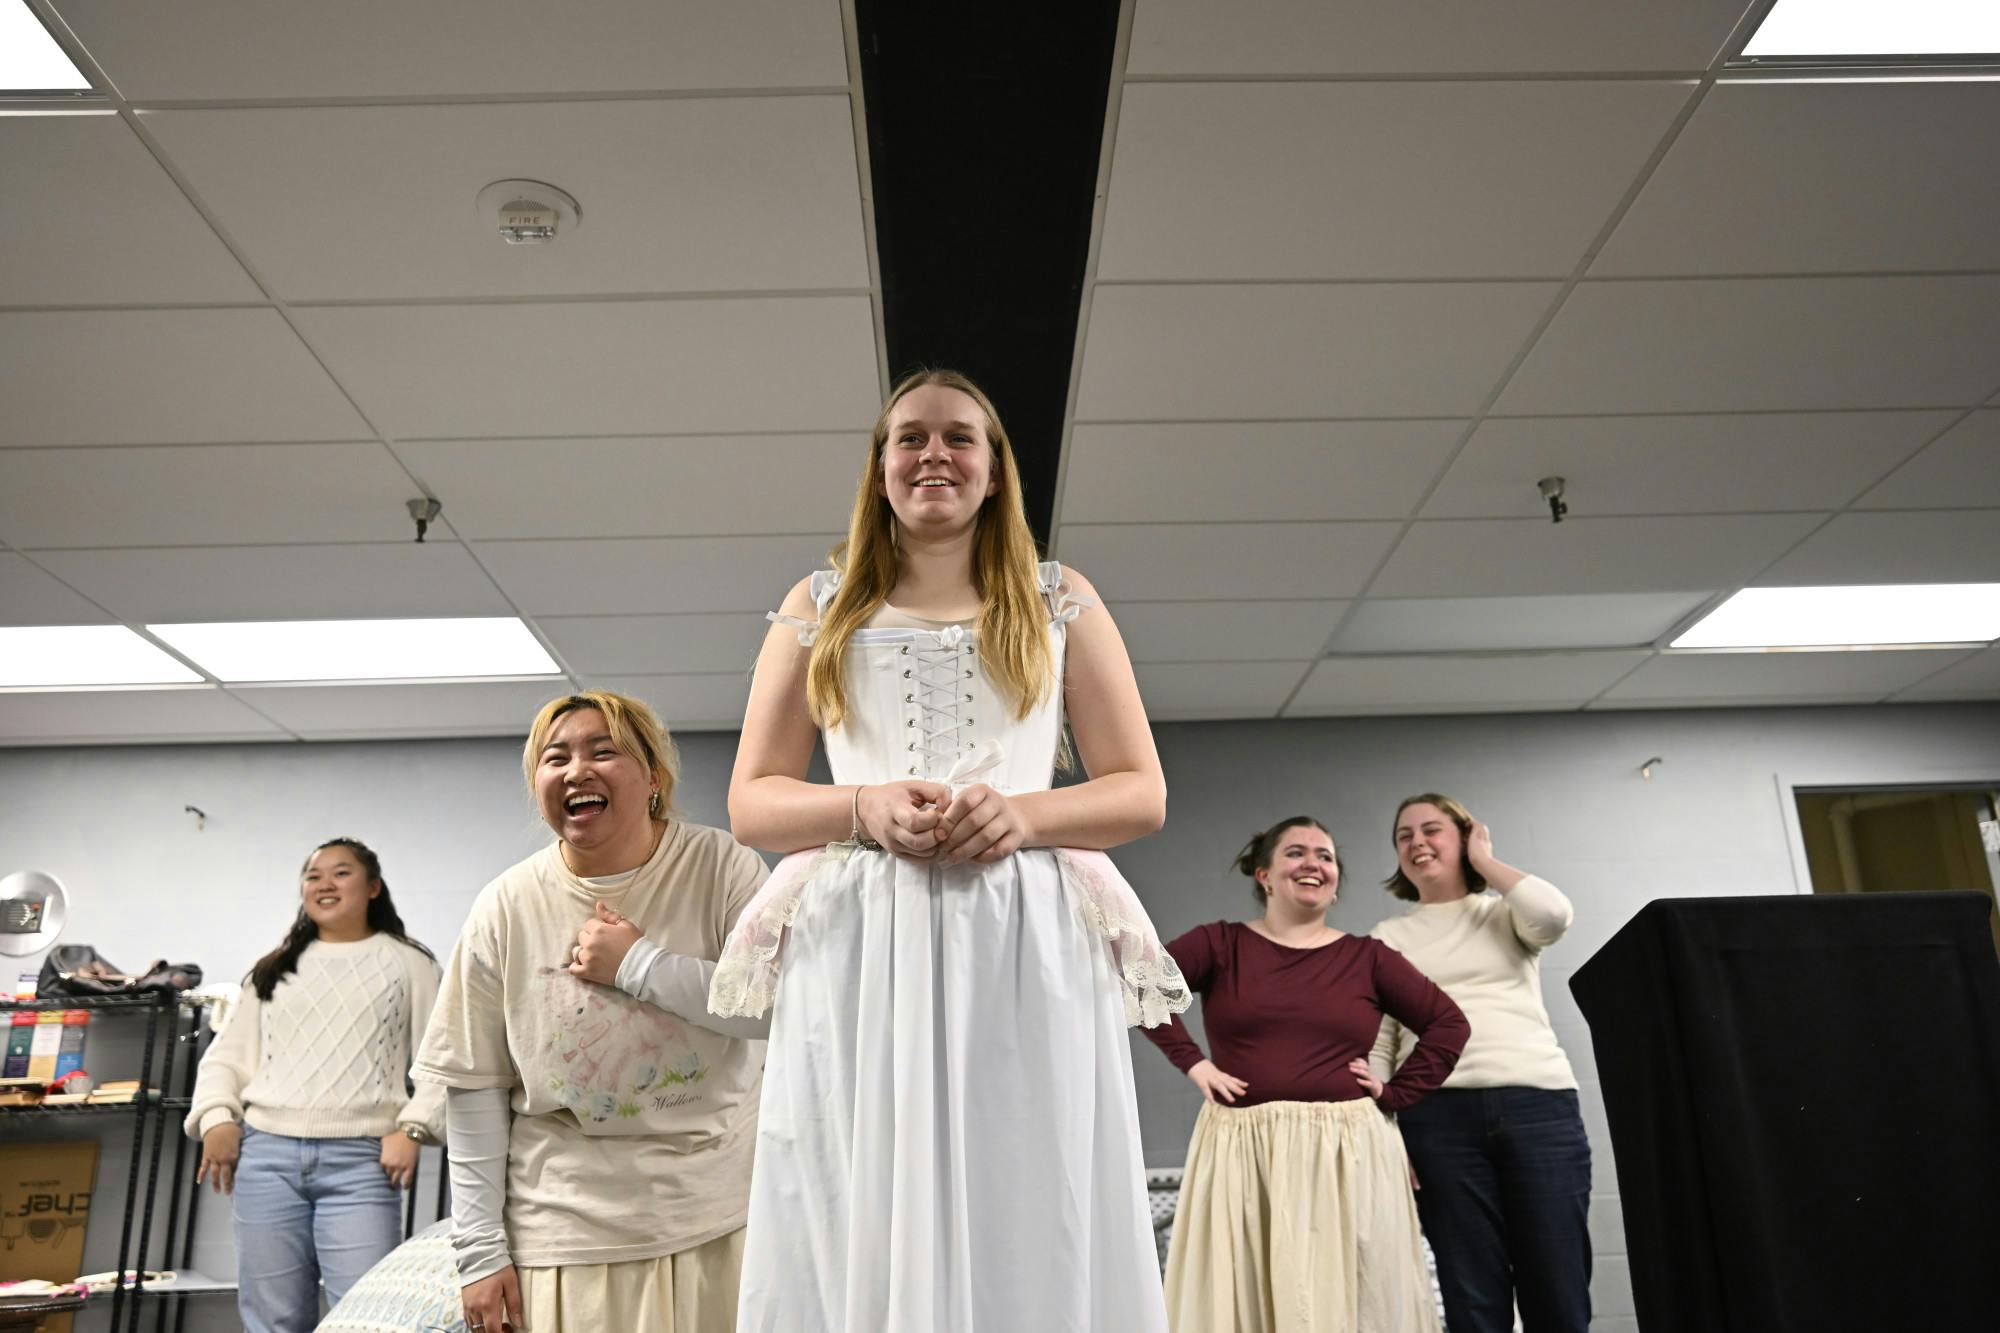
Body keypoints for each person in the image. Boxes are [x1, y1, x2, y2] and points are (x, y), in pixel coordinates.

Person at [712, 368, 1190, 1332]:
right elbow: (753, 800)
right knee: (854, 1169)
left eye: (960, 436)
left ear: (996, 468)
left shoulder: (1059, 599)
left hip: (1022, 933)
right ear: (880, 467)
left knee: (1026, 1169)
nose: (934, 453)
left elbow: (1142, 790)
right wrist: (863, 803)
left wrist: (1025, 816)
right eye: (911, 437)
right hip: (859, 938)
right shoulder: (819, 602)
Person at [413, 691, 768, 1333]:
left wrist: (640, 964)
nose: (577, 770)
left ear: (654, 777)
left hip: (719, 1218)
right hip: (566, 1235)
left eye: (604, 752)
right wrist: (479, 1253)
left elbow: (772, 1008)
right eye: (555, 759)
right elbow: (473, 1088)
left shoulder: (721, 866)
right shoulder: (505, 905)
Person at [1142, 816, 1469, 1333]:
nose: (1313, 863)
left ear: (1335, 882)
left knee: (1350, 1296)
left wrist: (1396, 1092)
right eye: (1296, 852)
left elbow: (1449, 1024)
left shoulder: (1368, 958)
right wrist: (1192, 1061)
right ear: (1264, 875)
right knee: (1248, 1294)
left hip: (1347, 1151)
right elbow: (1141, 982)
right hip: (1245, 1147)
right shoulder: (1220, 944)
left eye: (1325, 856)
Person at [186, 837, 444, 1333]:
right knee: (273, 1320)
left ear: (373, 887)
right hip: (266, 1159)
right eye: (313, 875)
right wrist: (217, 1118)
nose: (325, 884)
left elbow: (443, 1058)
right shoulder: (273, 969)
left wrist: (413, 1128)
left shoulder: (410, 963)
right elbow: (226, 1058)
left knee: (367, 1319)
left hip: (363, 1163)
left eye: (341, 873)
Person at [1368, 794, 1591, 1333]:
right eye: (1404, 835)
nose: (1417, 842)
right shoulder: (1387, 938)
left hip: (1538, 1106)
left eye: (1432, 829)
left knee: (1558, 1286)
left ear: (1466, 836)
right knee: (1472, 1297)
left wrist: (1485, 861)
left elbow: (1554, 914)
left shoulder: (1505, 915)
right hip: (1436, 1120)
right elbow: (1378, 1046)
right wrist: (1386, 1134)